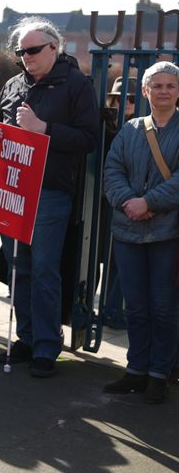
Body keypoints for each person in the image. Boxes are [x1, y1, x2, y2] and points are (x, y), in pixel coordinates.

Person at [0, 16, 99, 378]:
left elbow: (88, 139)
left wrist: (44, 129)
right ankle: (27, 337)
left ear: (55, 48)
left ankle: (48, 346)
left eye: (33, 50)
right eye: (20, 52)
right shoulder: (13, 84)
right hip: (12, 188)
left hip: (50, 191)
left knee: (46, 270)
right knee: (20, 270)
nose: (26, 57)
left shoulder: (77, 85)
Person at [101, 61, 179, 404]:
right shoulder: (130, 130)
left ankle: (159, 375)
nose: (163, 91)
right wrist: (129, 203)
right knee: (135, 307)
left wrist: (148, 202)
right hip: (128, 231)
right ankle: (135, 370)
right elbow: (111, 171)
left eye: (170, 85)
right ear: (145, 92)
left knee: (163, 307)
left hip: (167, 233)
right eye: (156, 85)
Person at [98, 75, 137, 330]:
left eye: (133, 99)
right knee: (105, 258)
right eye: (122, 98)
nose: (127, 104)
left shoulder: (142, 127)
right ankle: (106, 309)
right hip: (105, 201)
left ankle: (112, 309)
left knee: (119, 259)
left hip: (132, 202)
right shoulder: (106, 126)